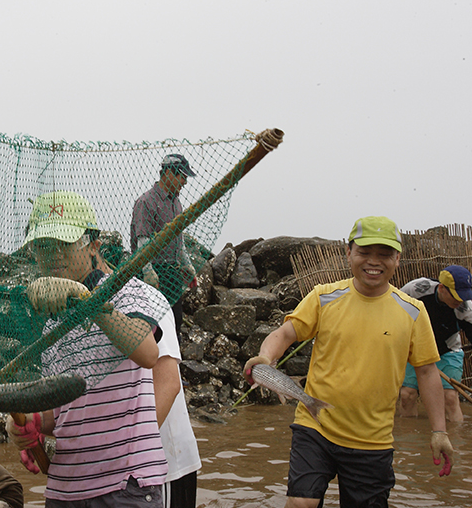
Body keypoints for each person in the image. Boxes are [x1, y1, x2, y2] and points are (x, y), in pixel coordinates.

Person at [242, 216, 454, 508]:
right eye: (364, 252)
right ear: (348, 252)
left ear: (398, 259)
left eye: (384, 254)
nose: (373, 262)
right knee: (299, 503)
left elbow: (428, 371)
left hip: (373, 440)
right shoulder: (325, 297)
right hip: (315, 428)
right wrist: (265, 357)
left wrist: (439, 431)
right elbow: (284, 333)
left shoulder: (413, 312)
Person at [6, 190, 168, 508]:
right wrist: (33, 424)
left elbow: (147, 352)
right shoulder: (51, 322)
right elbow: (66, 410)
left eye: (64, 245)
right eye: (42, 246)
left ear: (94, 246)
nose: (53, 256)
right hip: (66, 488)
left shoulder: (126, 290)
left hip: (126, 484)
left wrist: (86, 299)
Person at [131, 154, 197, 336]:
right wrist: (148, 271)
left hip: (172, 272)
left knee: (175, 322)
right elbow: (142, 240)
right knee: (154, 327)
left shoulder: (176, 203)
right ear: (168, 173)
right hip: (152, 274)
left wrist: (186, 264)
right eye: (181, 176)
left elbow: (179, 238)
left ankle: (173, 363)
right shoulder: (146, 202)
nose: (184, 182)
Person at [148, 286, 201, 508]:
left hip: (162, 467)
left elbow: (169, 384)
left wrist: (131, 455)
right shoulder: (56, 312)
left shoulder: (146, 299)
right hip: (101, 476)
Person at [399, 265, 472, 422]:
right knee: (407, 395)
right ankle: (411, 443)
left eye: (463, 296)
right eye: (455, 296)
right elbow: (392, 312)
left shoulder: (466, 308)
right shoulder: (415, 290)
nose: (460, 301)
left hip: (448, 350)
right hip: (416, 350)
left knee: (450, 398)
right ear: (441, 287)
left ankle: (457, 442)